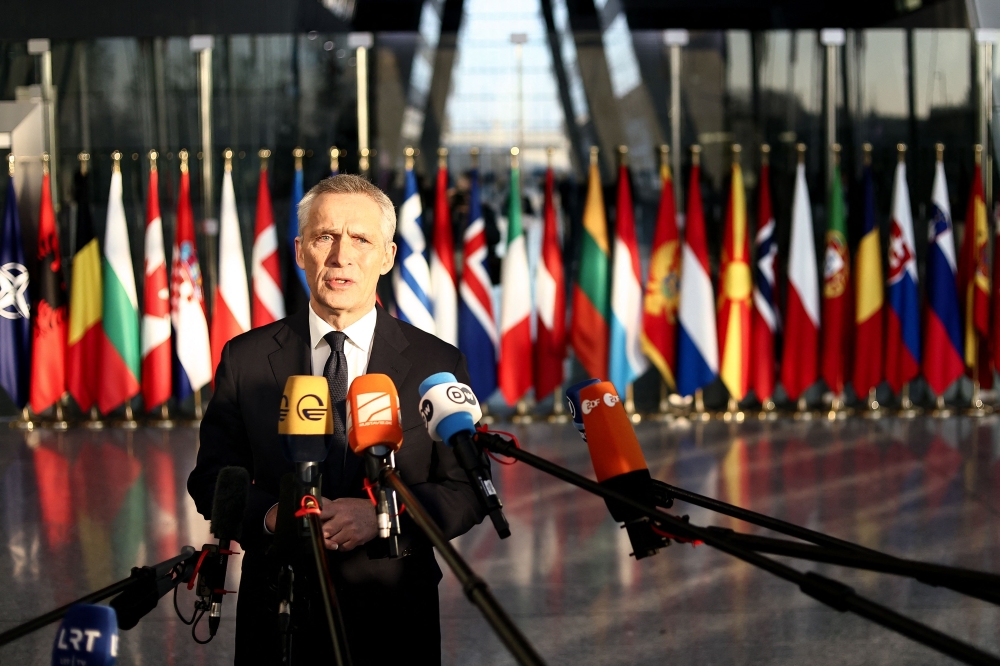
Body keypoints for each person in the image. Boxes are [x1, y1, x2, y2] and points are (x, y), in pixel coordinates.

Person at [188, 174, 486, 665]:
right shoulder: (246, 358)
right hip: (278, 616)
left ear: (388, 256)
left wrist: (381, 516)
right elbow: (213, 478)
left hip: (394, 618)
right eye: (325, 236)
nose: (341, 255)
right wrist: (272, 516)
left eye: (361, 239)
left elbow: (466, 488)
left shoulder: (437, 362)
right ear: (301, 249)